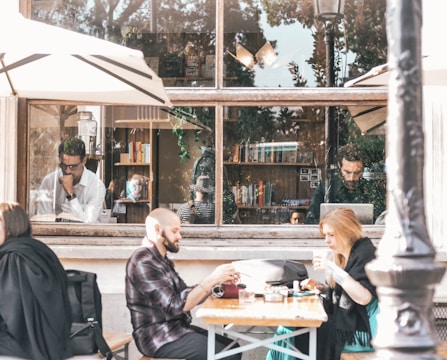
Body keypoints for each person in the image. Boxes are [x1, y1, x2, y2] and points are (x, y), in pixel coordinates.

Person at [125, 208, 241, 360]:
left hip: (175, 329)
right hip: (156, 336)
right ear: (157, 229)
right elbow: (176, 306)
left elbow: (186, 295)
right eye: (174, 231)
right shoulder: (143, 261)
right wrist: (211, 279)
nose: (179, 236)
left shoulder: (161, 260)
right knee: (226, 355)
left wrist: (217, 283)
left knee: (232, 349)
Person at [267, 208, 378, 360]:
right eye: (325, 235)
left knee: (291, 331)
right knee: (287, 328)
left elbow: (363, 297)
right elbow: (342, 296)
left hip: (360, 331)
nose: (327, 240)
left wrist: (332, 269)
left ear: (347, 231)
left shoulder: (365, 253)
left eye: (331, 235)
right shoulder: (344, 256)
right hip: (345, 324)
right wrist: (321, 288)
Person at [0, 202, 73, 360]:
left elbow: (10, 304)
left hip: (29, 344)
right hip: (54, 341)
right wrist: (1, 284)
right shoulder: (36, 250)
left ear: (9, 227)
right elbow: (23, 292)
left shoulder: (15, 257)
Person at [305, 143, 385, 224]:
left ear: (363, 169)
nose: (352, 178)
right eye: (347, 172)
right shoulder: (326, 189)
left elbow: (381, 221)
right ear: (339, 166)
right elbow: (311, 221)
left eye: (357, 172)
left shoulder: (371, 189)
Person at [37, 137, 106, 222]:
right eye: (64, 166)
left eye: (73, 167)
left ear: (84, 161)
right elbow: (43, 219)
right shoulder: (49, 182)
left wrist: (71, 196)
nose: (67, 171)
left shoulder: (96, 186)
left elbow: (89, 224)